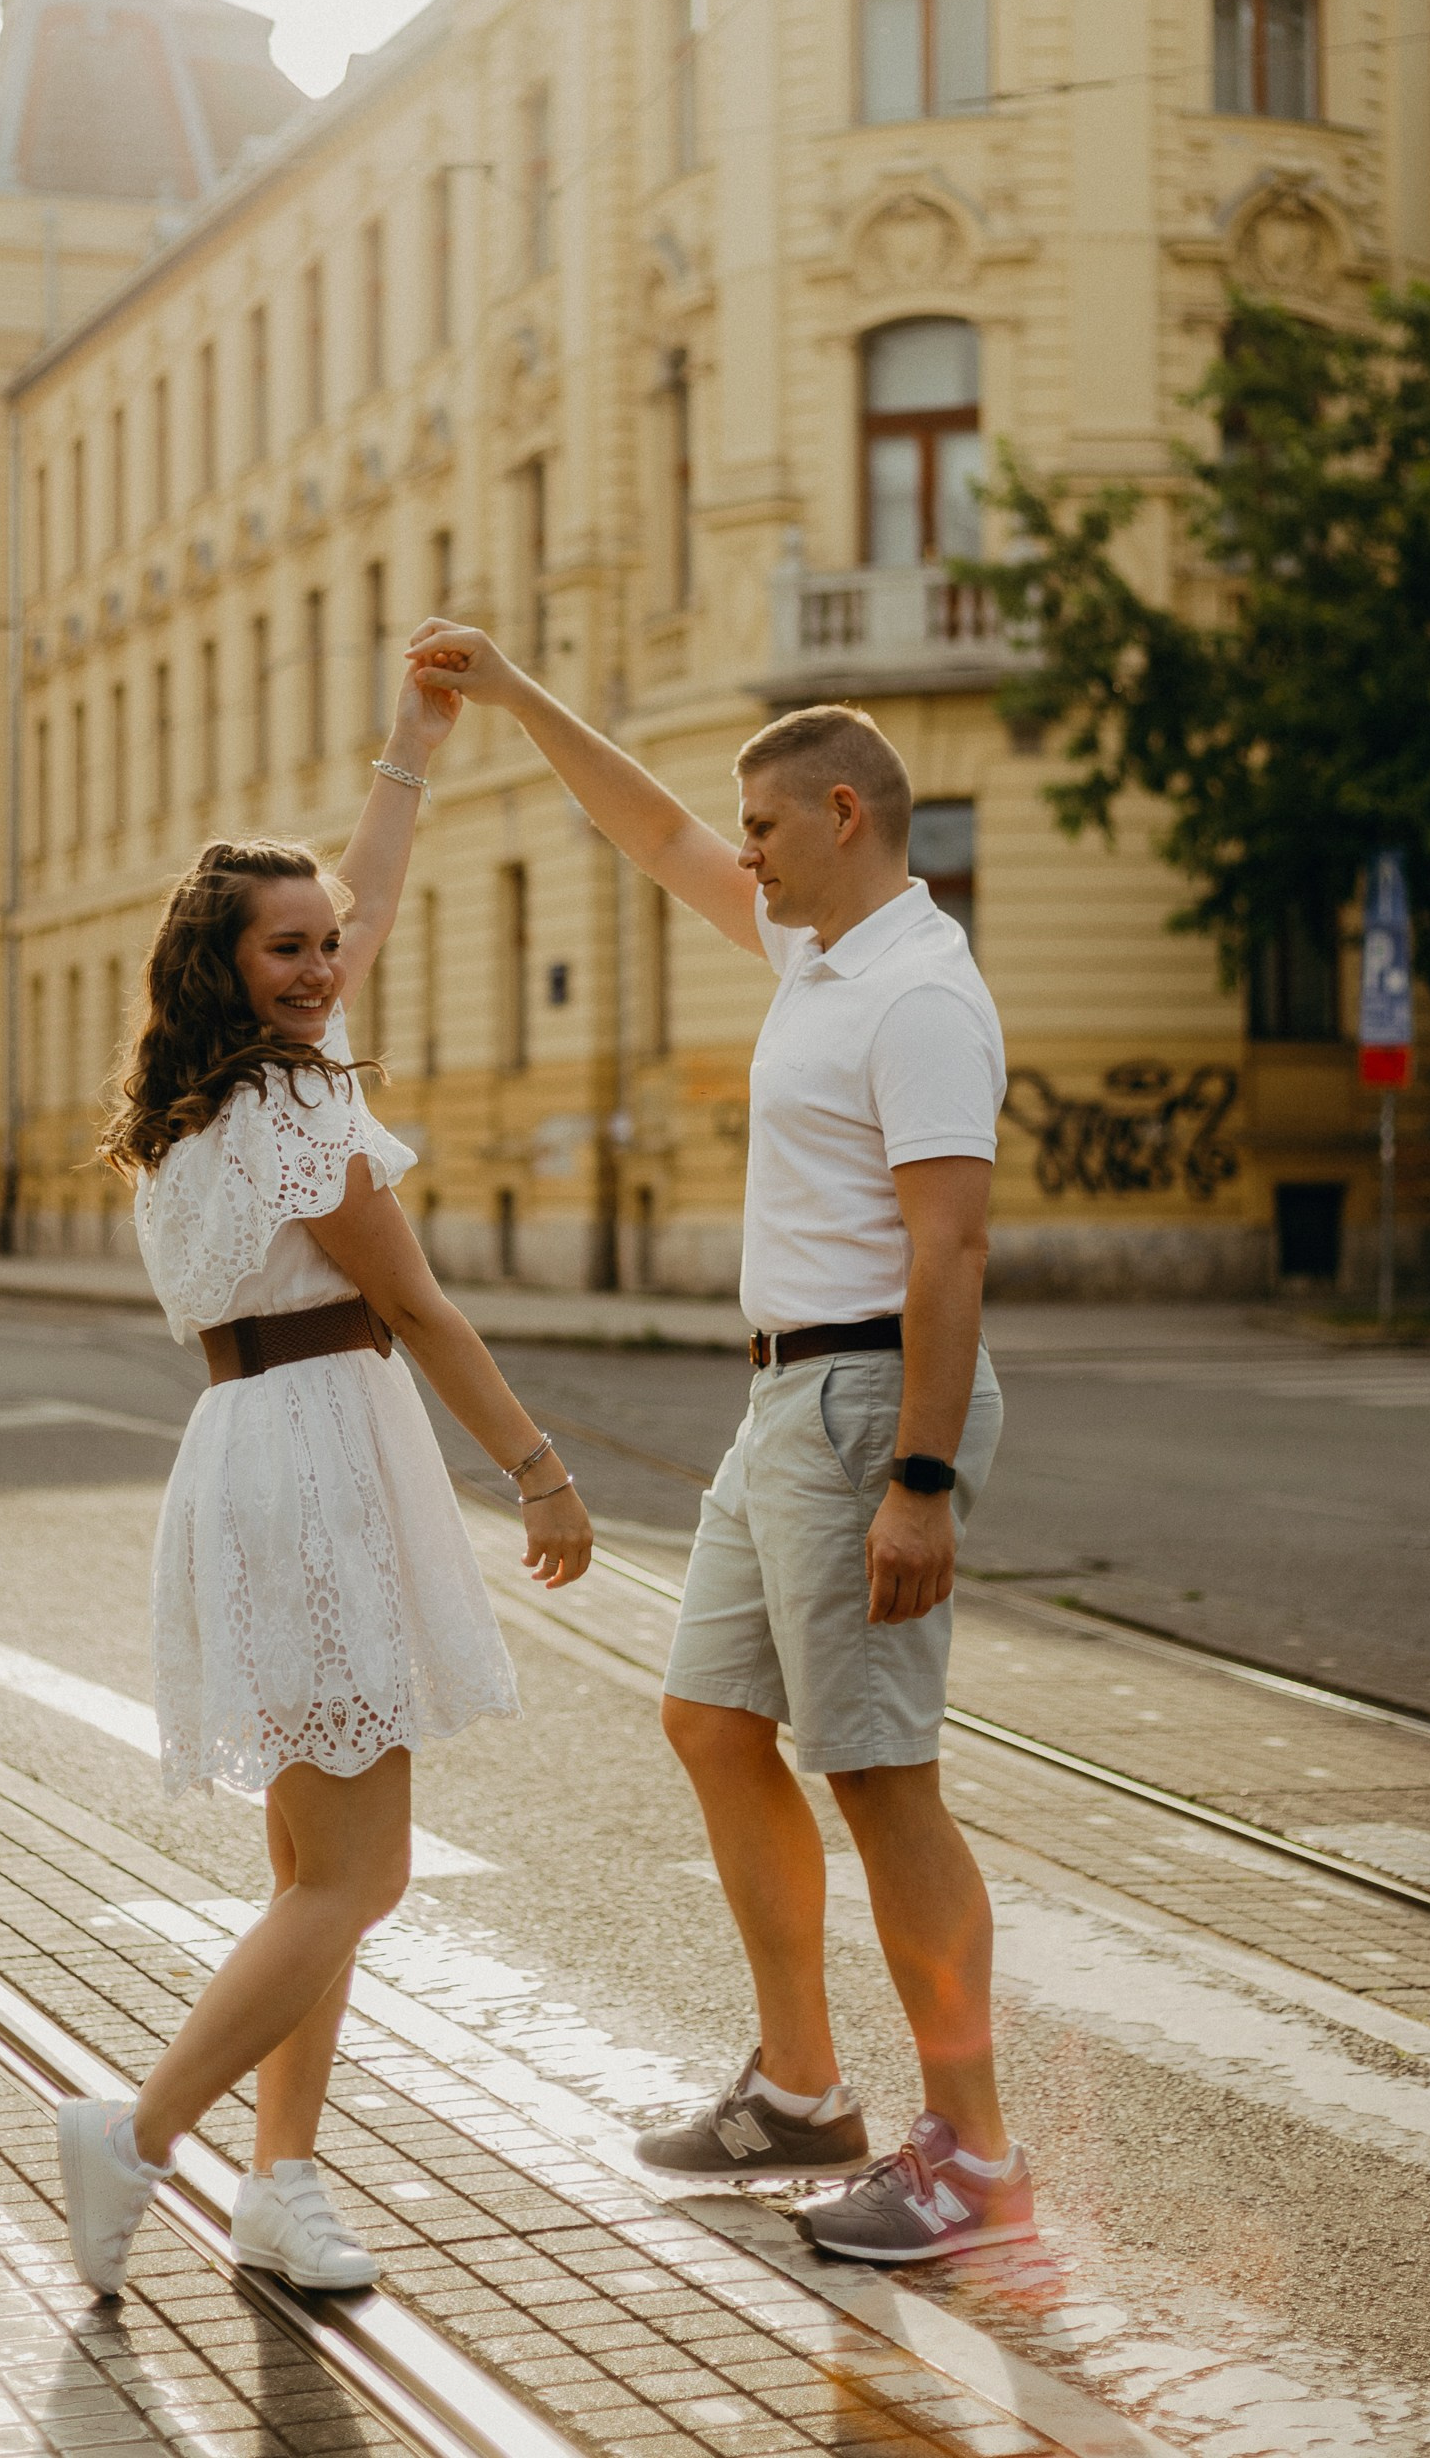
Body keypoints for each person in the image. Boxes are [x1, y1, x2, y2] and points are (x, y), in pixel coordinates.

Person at [406, 621, 1030, 2266]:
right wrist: (521, 694)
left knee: (887, 1778)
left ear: (843, 812)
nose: (736, 852)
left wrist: (920, 1480)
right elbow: (651, 830)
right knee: (707, 1718)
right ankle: (806, 2088)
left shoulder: (920, 996)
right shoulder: (818, 956)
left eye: (763, 827)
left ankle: (974, 2155)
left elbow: (949, 1253)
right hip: (781, 1403)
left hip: (860, 1407)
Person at [57, 664, 592, 2301]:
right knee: (363, 1876)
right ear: (227, 972)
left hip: (258, 1449)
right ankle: (140, 2133)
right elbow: (420, 1306)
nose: (319, 963)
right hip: (316, 1463)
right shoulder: (299, 1116)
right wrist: (541, 1471)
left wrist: (412, 754)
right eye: (284, 948)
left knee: (314, 1875)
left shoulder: (208, 1102)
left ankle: (283, 2188)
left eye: (324, 944)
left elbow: (366, 892)